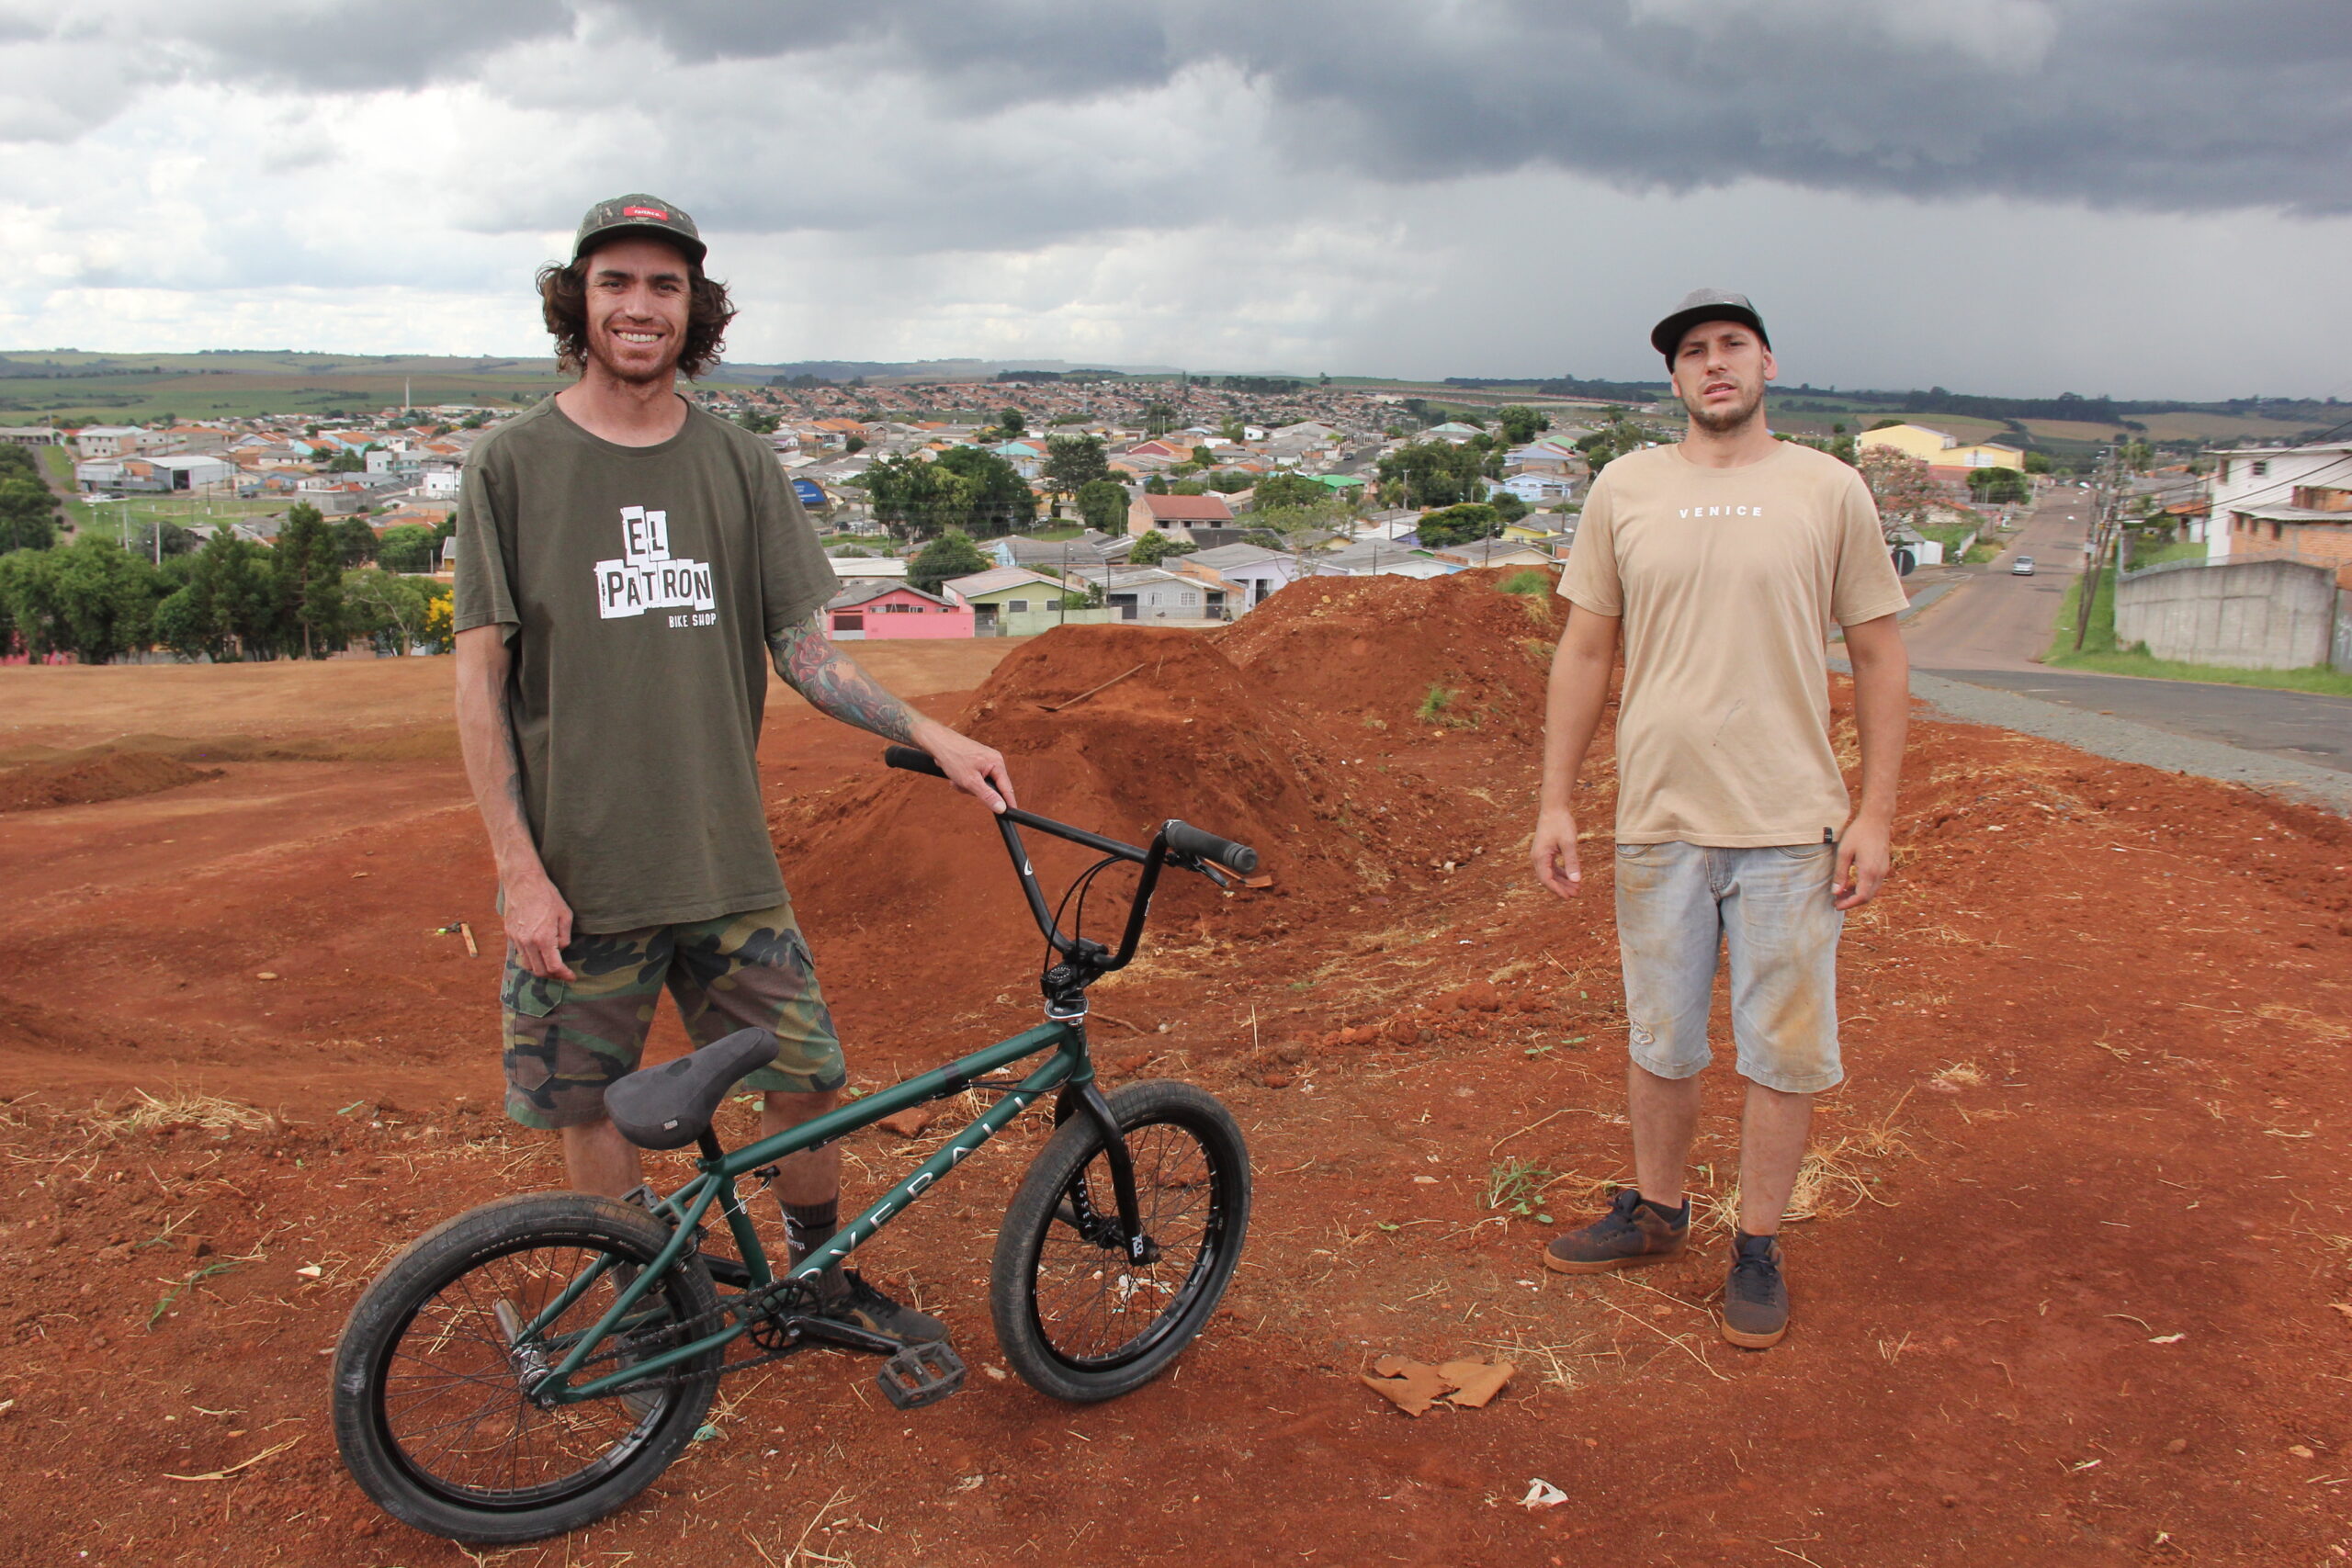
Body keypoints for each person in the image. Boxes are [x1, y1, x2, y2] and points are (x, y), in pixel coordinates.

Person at [451, 194, 1014, 1345]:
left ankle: (816, 1279)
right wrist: (518, 871)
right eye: (616, 283)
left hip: (724, 860)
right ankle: (639, 1306)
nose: (639, 306)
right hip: (580, 864)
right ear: (579, 301)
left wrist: (935, 734)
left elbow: (805, 652)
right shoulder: (510, 465)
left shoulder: (740, 466)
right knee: (590, 1103)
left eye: (665, 286)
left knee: (805, 1073)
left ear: (694, 310)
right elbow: (478, 687)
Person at [1530, 288, 1910, 1348]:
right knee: (1659, 1036)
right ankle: (1656, 1212)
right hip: (1657, 816)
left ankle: (1756, 1245)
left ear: (1766, 364)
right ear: (1674, 379)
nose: (1712, 365)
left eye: (1730, 346)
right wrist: (1557, 799)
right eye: (1691, 352)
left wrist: (1874, 813)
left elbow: (1879, 655)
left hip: (1792, 823)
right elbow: (1586, 650)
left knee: (1783, 1049)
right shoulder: (1625, 488)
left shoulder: (1828, 492)